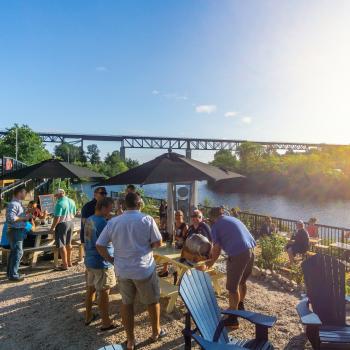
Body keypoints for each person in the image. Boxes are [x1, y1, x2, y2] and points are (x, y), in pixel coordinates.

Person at [96, 192, 165, 350]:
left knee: (127, 304)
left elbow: (100, 245)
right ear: (139, 204)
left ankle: (131, 340)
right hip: (144, 269)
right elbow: (158, 242)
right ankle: (156, 332)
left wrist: (111, 260)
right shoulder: (146, 219)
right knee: (152, 302)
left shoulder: (113, 222)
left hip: (123, 270)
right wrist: (146, 246)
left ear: (124, 205)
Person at [207, 207, 256, 328]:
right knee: (242, 282)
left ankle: (233, 320)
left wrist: (211, 262)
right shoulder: (232, 219)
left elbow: (216, 249)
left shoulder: (215, 226)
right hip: (251, 250)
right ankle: (239, 306)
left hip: (239, 253)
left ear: (212, 218)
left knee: (232, 288)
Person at [84, 197, 117, 331]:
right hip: (101, 262)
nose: (111, 211)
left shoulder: (89, 219)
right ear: (103, 208)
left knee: (90, 288)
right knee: (104, 292)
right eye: (110, 208)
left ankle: (88, 315)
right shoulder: (103, 223)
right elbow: (102, 244)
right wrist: (110, 259)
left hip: (89, 260)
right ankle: (106, 322)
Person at [5, 186, 32, 281]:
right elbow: (11, 218)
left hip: (17, 231)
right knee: (18, 252)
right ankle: (14, 275)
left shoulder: (18, 204)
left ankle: (10, 273)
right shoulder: (14, 204)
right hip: (15, 231)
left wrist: (27, 213)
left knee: (14, 252)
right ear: (19, 193)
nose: (26, 194)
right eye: (24, 192)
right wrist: (24, 218)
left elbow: (17, 216)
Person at [49, 189, 75, 270]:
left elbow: (57, 218)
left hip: (62, 224)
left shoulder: (59, 203)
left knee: (61, 245)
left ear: (60, 194)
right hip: (71, 222)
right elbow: (74, 213)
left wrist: (52, 228)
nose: (55, 197)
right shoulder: (71, 201)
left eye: (56, 195)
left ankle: (65, 264)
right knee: (68, 243)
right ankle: (69, 262)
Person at [158, 210, 188, 278]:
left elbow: (183, 240)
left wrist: (175, 237)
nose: (177, 217)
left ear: (182, 216)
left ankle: (175, 273)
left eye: (179, 215)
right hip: (176, 245)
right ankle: (165, 270)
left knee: (171, 258)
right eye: (176, 215)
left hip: (182, 248)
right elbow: (173, 235)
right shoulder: (174, 224)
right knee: (164, 253)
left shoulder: (185, 226)